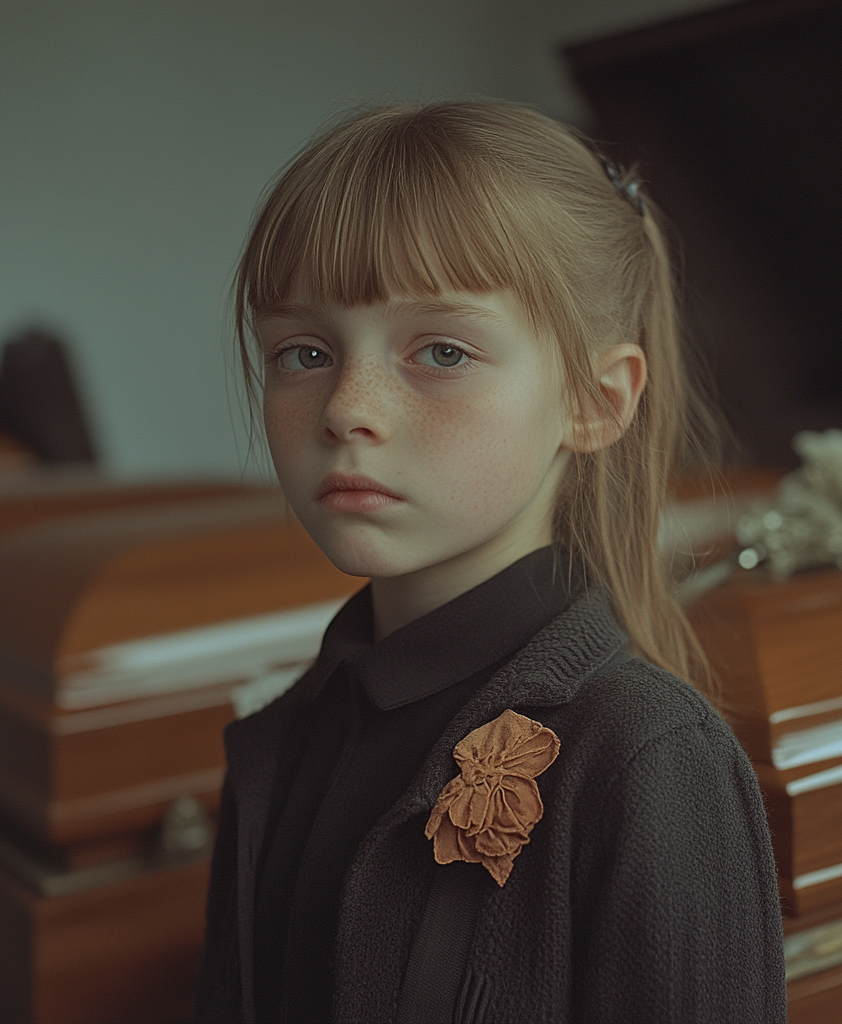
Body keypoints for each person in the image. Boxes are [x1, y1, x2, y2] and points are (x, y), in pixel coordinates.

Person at [195, 100, 787, 1024]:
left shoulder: (645, 761)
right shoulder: (287, 732)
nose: (348, 407)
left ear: (595, 401)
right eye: (304, 352)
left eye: (441, 350)